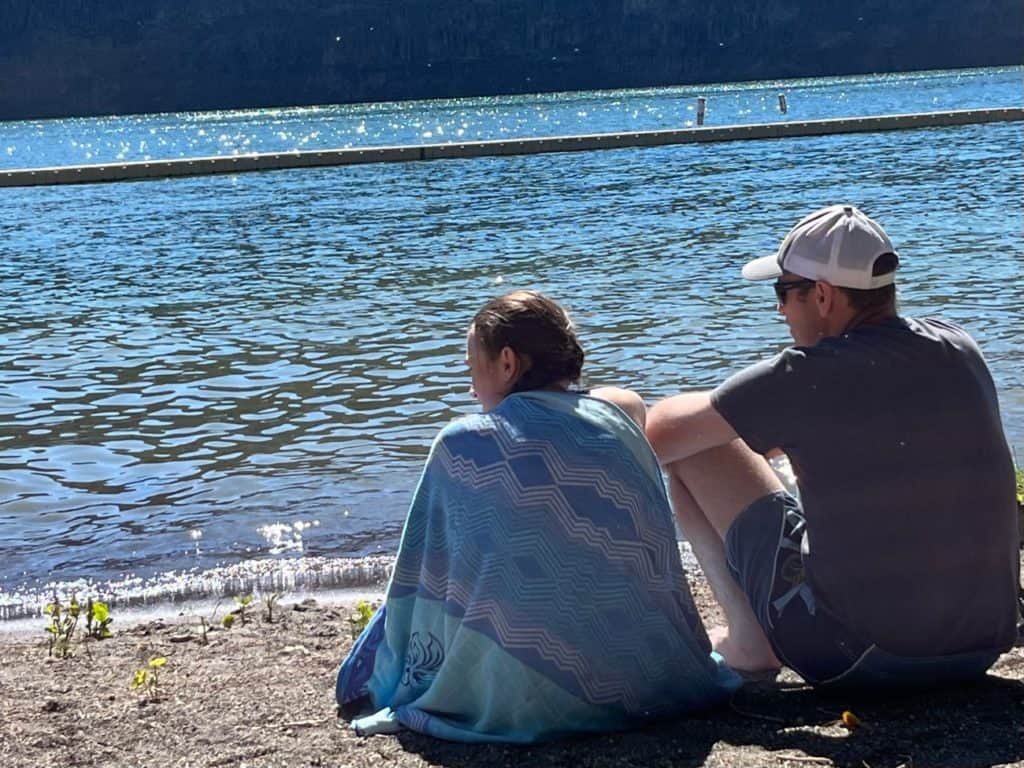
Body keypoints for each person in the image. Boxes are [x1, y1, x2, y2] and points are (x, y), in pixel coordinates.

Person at [336, 290, 739, 742]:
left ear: (508, 363)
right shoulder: (618, 421)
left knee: (381, 646)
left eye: (473, 368)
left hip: (522, 704)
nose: (471, 388)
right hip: (655, 680)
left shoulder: (462, 445)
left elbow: (424, 573)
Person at [646, 204, 1020, 687]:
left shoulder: (806, 375)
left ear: (822, 295)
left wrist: (758, 401)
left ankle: (749, 644)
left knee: (697, 449)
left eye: (783, 293)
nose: (779, 309)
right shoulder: (958, 345)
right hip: (982, 645)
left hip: (866, 658)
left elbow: (660, 434)